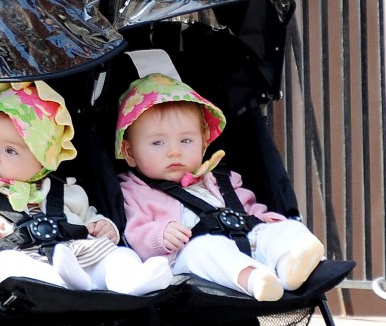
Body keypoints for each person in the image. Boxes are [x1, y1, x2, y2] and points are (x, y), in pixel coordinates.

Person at [0, 81, 173, 297]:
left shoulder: (67, 191)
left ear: (43, 159)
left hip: (77, 257)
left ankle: (132, 281)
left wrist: (105, 227)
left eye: (10, 150)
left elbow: (88, 218)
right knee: (3, 266)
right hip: (24, 265)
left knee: (117, 255)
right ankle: (58, 285)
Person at [115, 73, 324, 301]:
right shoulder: (135, 189)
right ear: (130, 152)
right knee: (205, 250)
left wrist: (267, 221)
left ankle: (289, 266)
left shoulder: (220, 178)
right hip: (188, 259)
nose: (174, 151)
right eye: (158, 143)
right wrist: (160, 236)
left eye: (186, 141)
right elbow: (134, 233)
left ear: (204, 142)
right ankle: (256, 280)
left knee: (285, 228)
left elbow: (248, 208)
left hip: (247, 240)